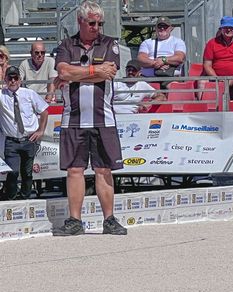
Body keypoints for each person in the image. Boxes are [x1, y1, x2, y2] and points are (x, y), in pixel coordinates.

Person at [53, 0, 127, 236]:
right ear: (81, 21)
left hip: (103, 118)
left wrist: (76, 75)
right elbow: (63, 72)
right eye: (92, 22)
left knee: (103, 169)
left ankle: (109, 220)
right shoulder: (66, 44)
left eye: (100, 23)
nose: (97, 27)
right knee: (74, 170)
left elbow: (110, 74)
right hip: (72, 119)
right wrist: (95, 71)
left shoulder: (109, 44)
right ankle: (75, 220)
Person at [0, 66, 48, 200]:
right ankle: (11, 196)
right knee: (13, 172)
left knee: (27, 172)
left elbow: (44, 111)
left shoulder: (29, 94)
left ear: (20, 80)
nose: (13, 81)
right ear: (5, 80)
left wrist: (41, 130)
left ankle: (25, 196)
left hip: (29, 139)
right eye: (10, 78)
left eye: (16, 78)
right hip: (11, 141)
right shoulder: (1, 95)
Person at [203, 16, 233, 98]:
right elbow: (207, 65)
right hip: (216, 78)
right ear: (221, 29)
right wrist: (216, 78)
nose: (229, 30)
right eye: (225, 27)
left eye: (231, 27)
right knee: (202, 82)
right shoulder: (211, 43)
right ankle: (206, 109)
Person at [137, 16, 187, 87]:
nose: (162, 28)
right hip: (147, 79)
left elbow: (180, 58)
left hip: (170, 78)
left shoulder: (178, 42)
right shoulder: (147, 42)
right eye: (160, 26)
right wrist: (155, 64)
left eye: (165, 26)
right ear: (156, 28)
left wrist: (163, 60)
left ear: (171, 28)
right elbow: (141, 59)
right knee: (136, 87)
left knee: (175, 89)